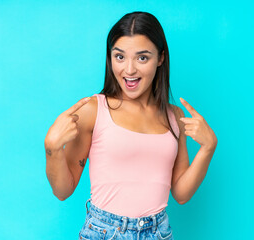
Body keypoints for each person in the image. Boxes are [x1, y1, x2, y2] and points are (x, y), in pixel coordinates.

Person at [44, 11, 217, 240]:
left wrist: (208, 148)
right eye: (120, 57)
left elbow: (181, 193)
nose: (129, 70)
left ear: (161, 58)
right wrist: (52, 149)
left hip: (158, 232)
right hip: (104, 232)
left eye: (142, 58)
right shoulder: (95, 110)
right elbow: (62, 191)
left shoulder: (174, 116)